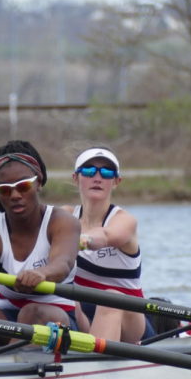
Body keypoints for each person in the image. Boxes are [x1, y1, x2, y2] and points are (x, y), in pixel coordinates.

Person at [0, 140, 83, 331]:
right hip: (7, 317)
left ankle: (8, 357)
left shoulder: (62, 222)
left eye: (23, 186)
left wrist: (41, 274)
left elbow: (62, 263)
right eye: (5, 189)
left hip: (60, 315)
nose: (15, 195)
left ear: (38, 183)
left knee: (32, 313)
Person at [64, 146, 154, 343]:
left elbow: (104, 235)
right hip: (82, 313)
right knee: (62, 299)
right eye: (89, 171)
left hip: (129, 319)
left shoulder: (124, 220)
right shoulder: (65, 215)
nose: (97, 177)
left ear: (116, 181)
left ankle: (93, 366)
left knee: (111, 298)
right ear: (75, 178)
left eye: (106, 172)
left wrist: (72, 242)